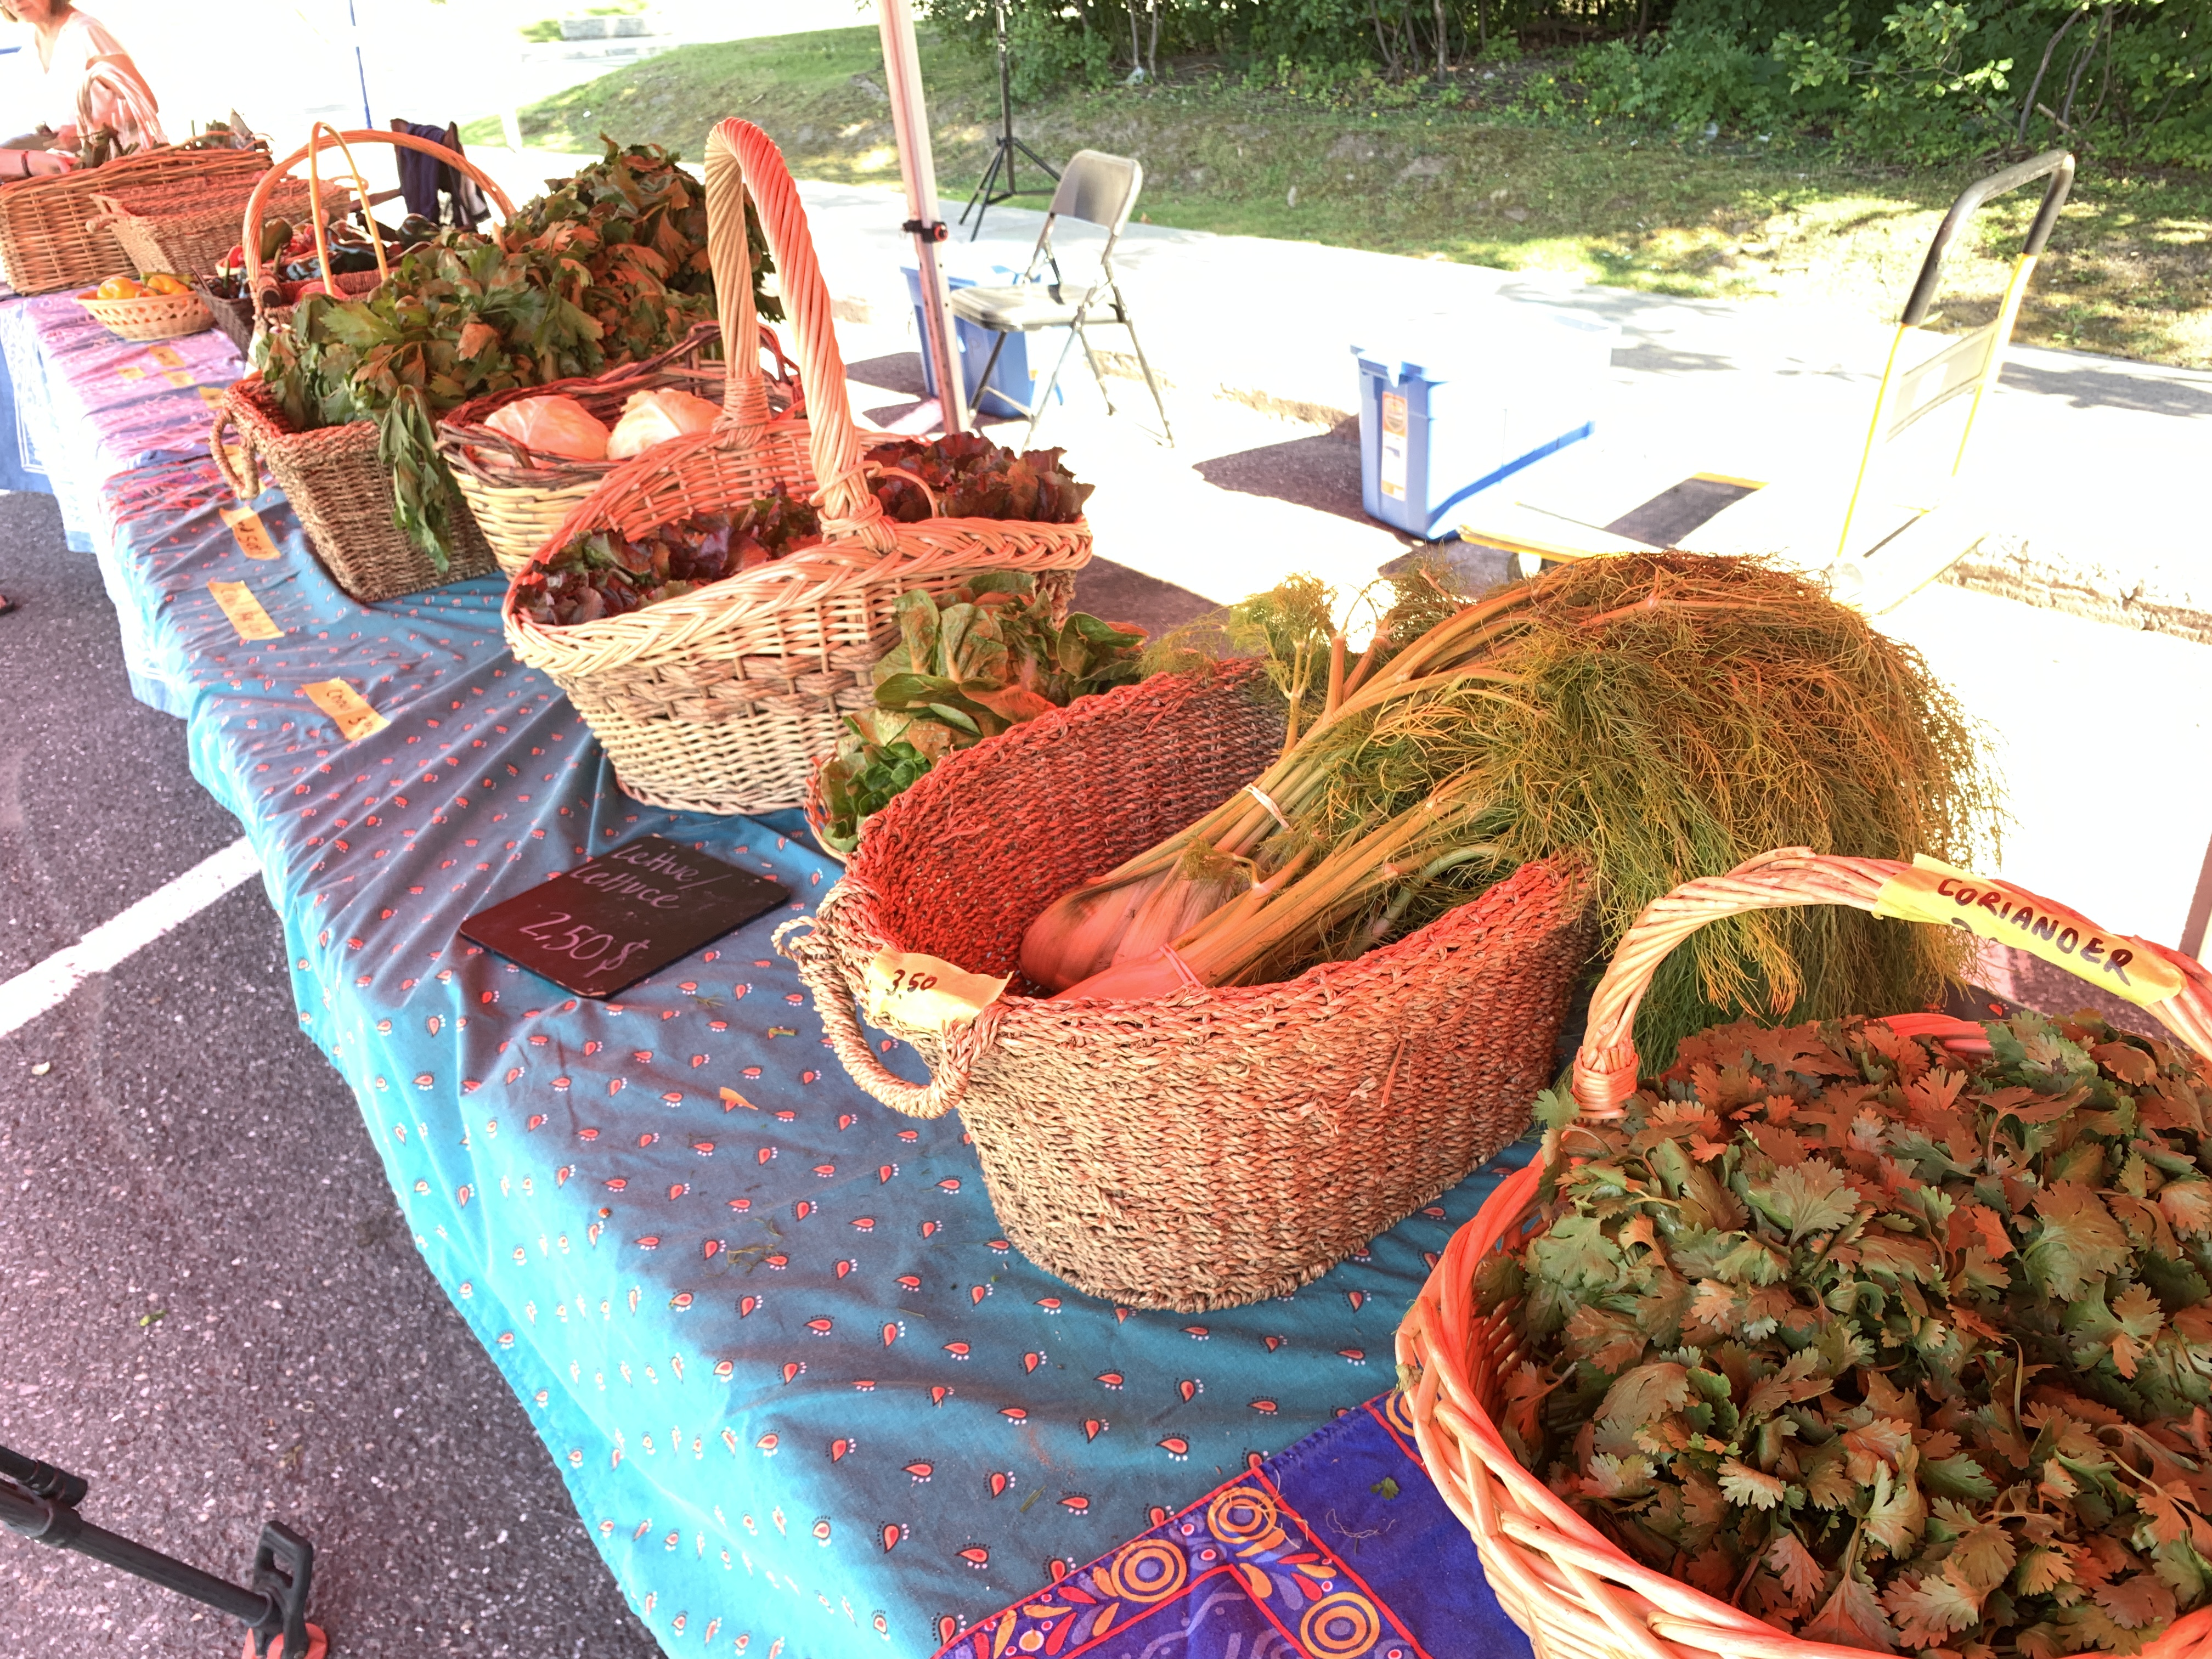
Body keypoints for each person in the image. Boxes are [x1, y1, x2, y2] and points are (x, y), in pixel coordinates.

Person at [0, 0, 161, 178]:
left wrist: (88, 131)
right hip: (83, 181)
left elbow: (144, 100)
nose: (14, 1)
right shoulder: (30, 49)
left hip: (127, 174)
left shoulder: (85, 32)